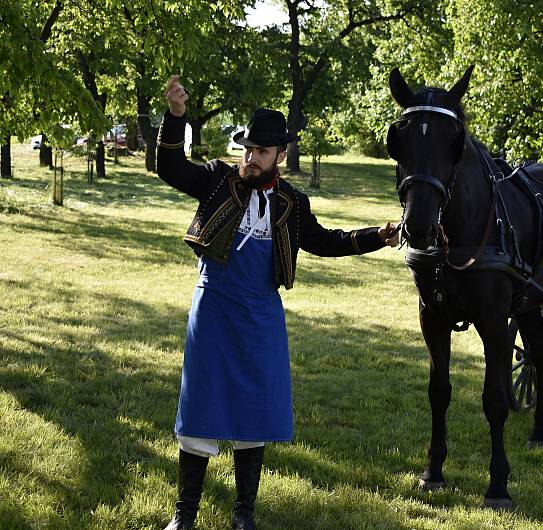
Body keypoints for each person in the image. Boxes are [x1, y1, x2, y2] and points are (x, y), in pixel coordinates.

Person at [157, 75, 398, 530]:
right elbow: (171, 169)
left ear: (279, 156)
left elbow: (325, 242)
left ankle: (243, 515)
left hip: (261, 317)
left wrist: (375, 237)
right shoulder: (216, 181)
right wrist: (175, 119)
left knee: (255, 413)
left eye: (261, 152)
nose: (250, 158)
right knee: (200, 408)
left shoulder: (291, 202)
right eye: (247, 149)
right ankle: (183, 516)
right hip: (212, 311)